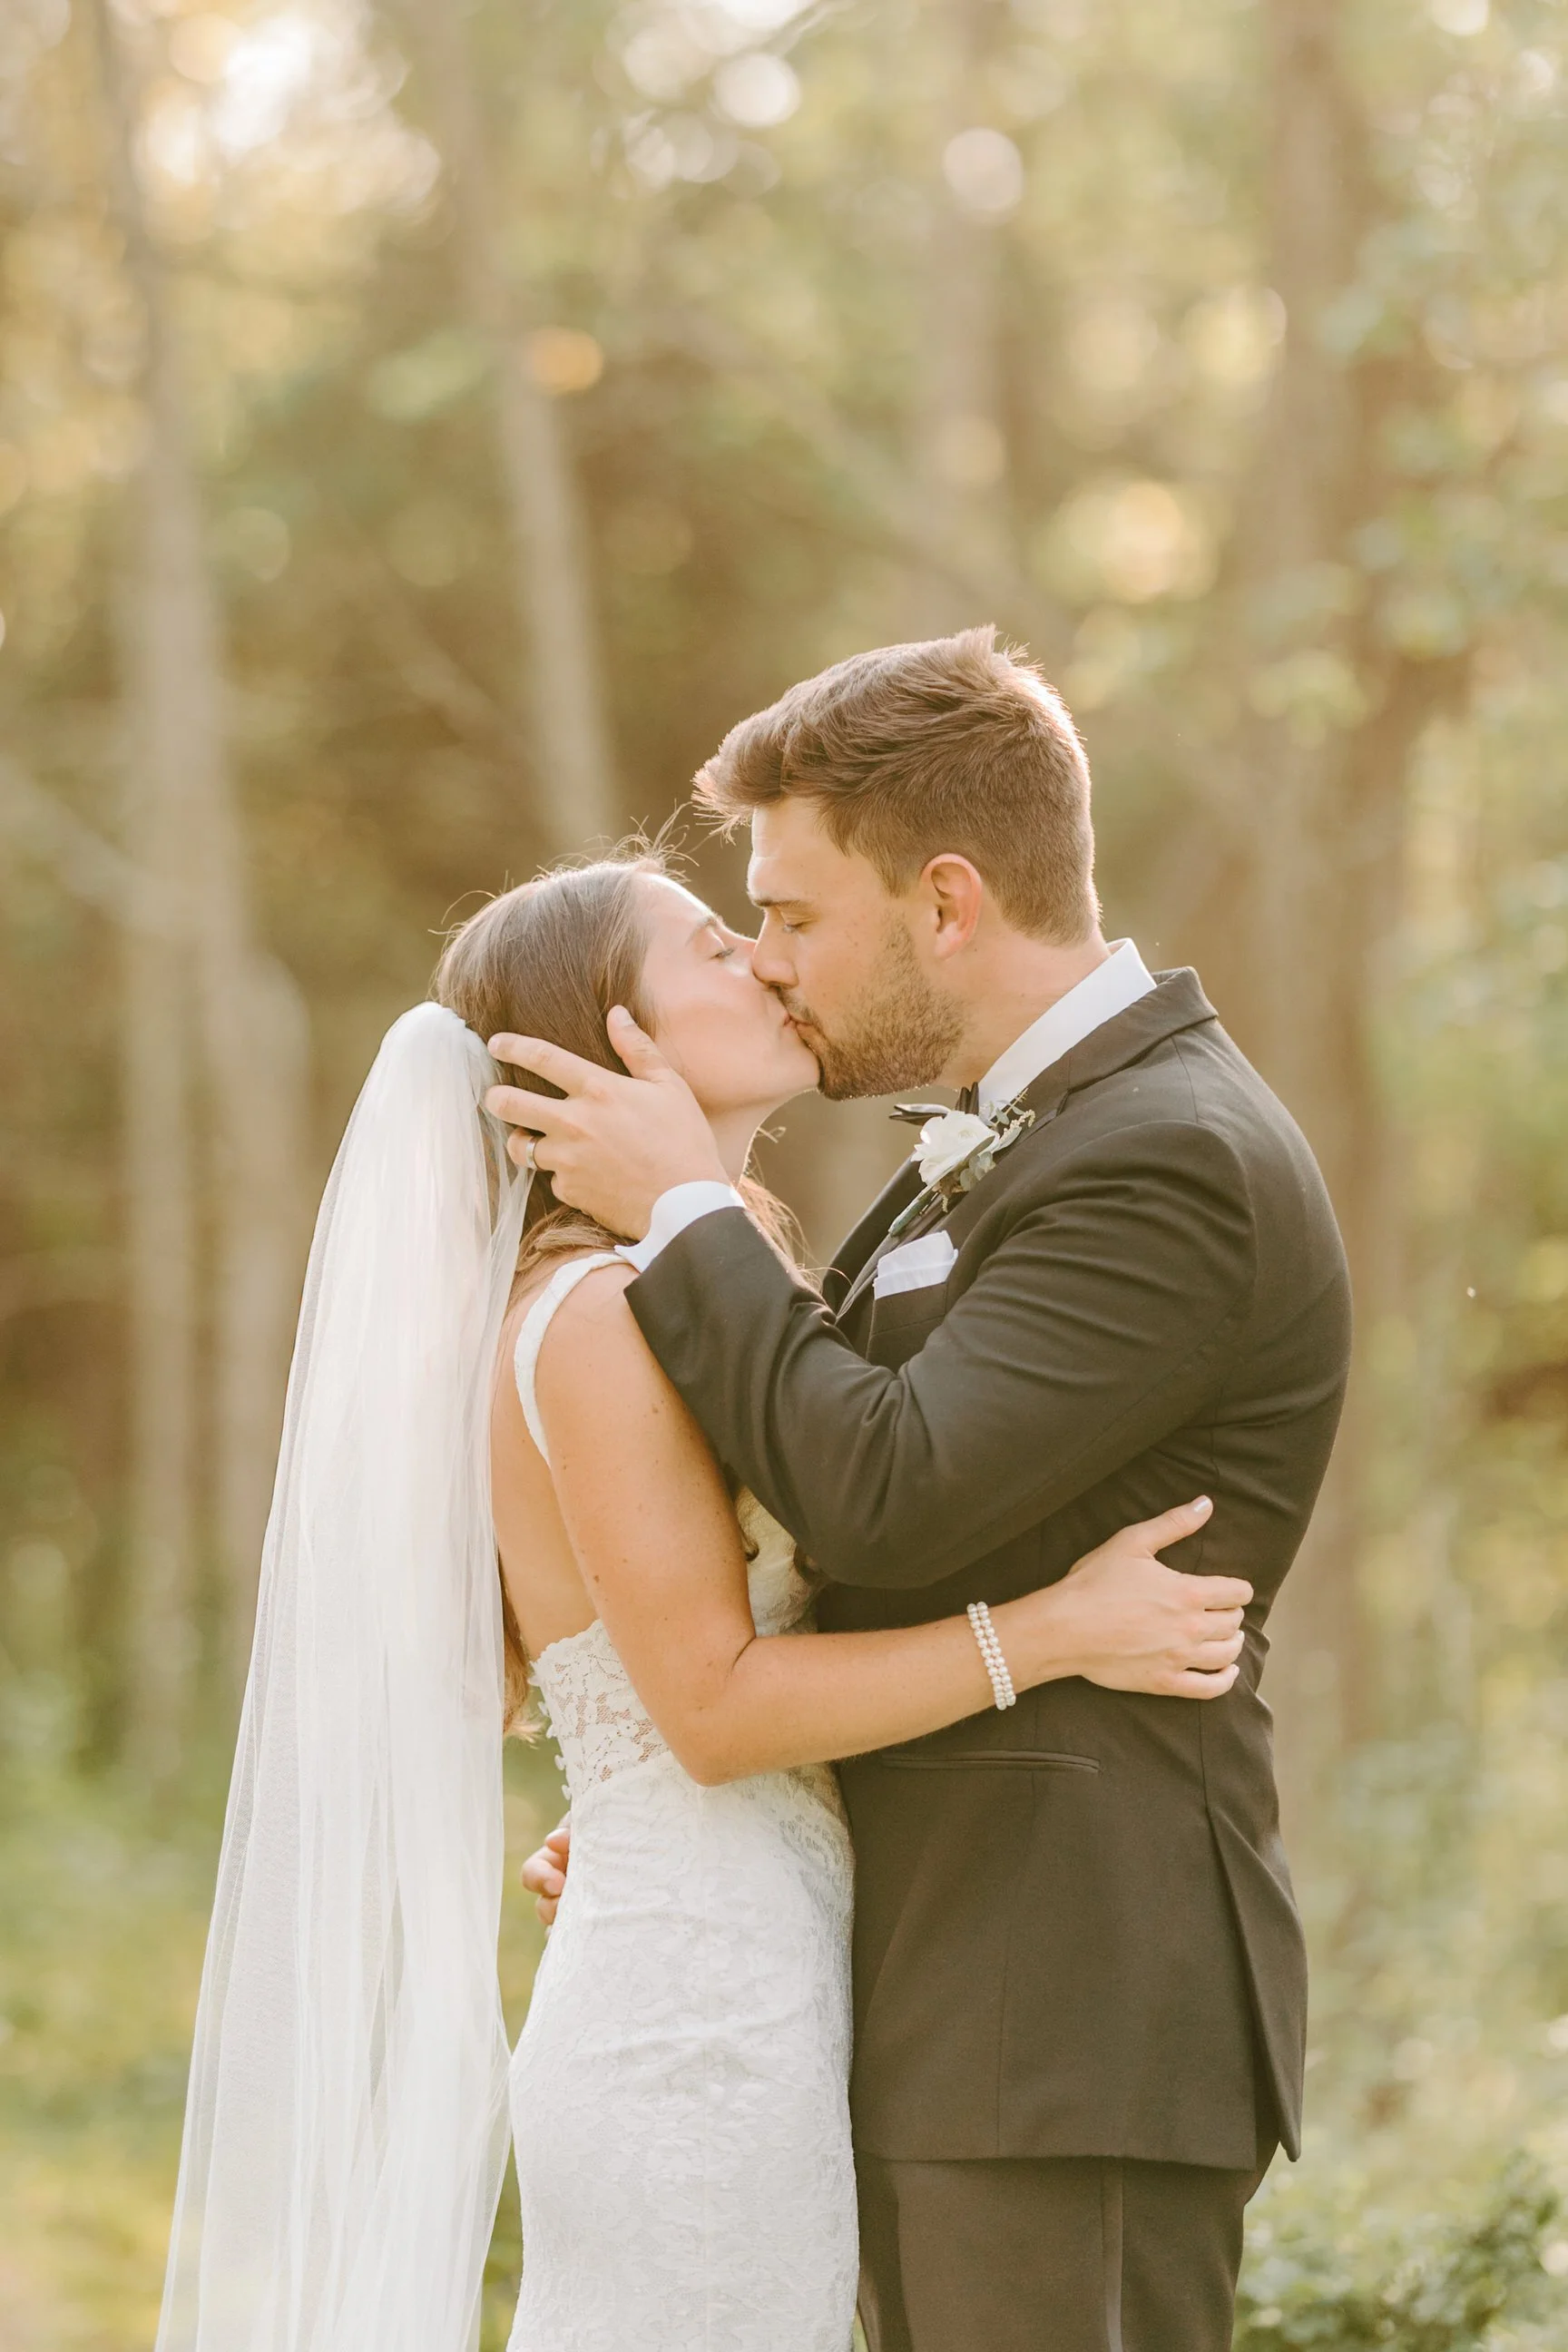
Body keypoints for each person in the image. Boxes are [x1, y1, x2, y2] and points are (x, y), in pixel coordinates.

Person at [152, 846, 1251, 2352]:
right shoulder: (595, 1318)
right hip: (699, 2031)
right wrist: (1051, 1629)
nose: (768, 959)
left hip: (753, 1969)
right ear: (614, 1043)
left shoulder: (683, 1284)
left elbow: (691, 1676)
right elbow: (720, 1708)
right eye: (715, 950)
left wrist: (627, 1787)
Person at [495, 627, 1355, 2352]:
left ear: (945, 903)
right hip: (909, 1998)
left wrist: (682, 1212)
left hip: (1066, 2023)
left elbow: (888, 1489)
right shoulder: (1000, 1139)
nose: (777, 966)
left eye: (796, 919)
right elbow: (818, 1498)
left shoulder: (1169, 1155)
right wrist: (694, 1806)